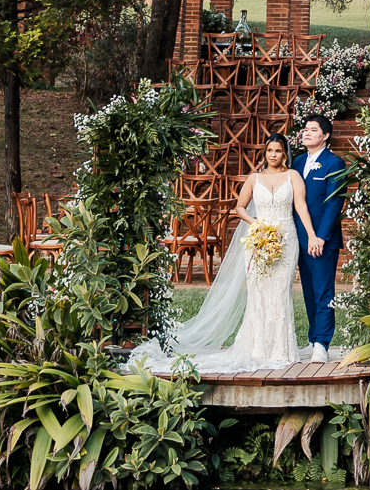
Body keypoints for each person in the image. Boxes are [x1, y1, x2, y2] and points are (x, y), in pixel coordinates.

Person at [127, 134, 325, 374]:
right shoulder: (254, 178)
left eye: (278, 151)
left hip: (286, 239)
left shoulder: (293, 176)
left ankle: (281, 349)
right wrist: (255, 223)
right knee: (258, 292)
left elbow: (301, 207)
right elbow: (240, 207)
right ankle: (257, 347)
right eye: (270, 150)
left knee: (281, 291)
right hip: (258, 239)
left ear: (285, 154)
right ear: (265, 153)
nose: (273, 155)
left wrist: (311, 235)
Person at [294, 114, 348, 359]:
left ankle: (322, 344)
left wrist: (320, 238)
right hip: (300, 237)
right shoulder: (296, 162)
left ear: (325, 136)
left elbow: (334, 204)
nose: (306, 133)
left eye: (313, 130)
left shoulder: (334, 163)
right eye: (305, 129)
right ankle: (312, 337)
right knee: (308, 291)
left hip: (322, 240)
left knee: (323, 291)